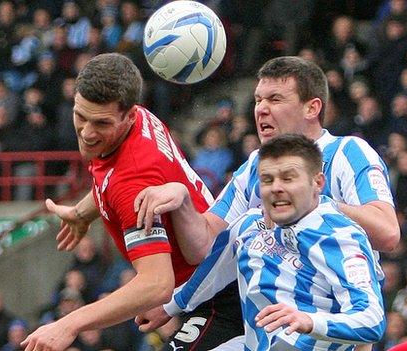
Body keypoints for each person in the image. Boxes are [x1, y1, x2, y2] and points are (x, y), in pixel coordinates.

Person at [64, 55, 399, 350]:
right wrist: (180, 199)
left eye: (275, 99)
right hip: (257, 321)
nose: (262, 109)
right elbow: (207, 245)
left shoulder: (347, 153)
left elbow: (387, 233)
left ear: (312, 108)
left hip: (325, 326)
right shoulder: (255, 166)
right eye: (257, 100)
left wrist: (308, 203)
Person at [23, 53, 243, 351]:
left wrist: (68, 323)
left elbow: (156, 283)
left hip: (222, 296)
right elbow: (110, 181)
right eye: (80, 116)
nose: (87, 132)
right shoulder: (140, 117)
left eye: (101, 123)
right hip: (206, 284)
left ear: (128, 116)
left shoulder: (134, 179)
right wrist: (83, 212)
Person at [138, 134, 386, 350]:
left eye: (288, 178)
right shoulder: (248, 225)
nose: (276, 188)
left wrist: (310, 321)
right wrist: (169, 306)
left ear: (317, 183)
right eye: (267, 180)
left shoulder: (341, 236)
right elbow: (214, 272)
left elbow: (371, 319)